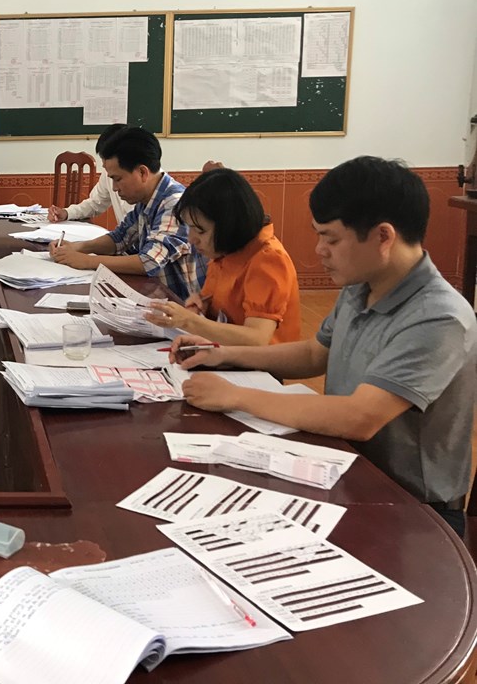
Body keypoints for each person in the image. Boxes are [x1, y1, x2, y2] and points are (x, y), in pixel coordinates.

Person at [176, 157, 476, 537]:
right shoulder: (361, 285)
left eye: (330, 238)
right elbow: (315, 354)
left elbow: (359, 417)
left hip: (411, 508)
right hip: (343, 469)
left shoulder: (438, 318)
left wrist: (235, 395)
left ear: (383, 237)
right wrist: (222, 353)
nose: (319, 250)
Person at [143, 168, 301, 345]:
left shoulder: (268, 260)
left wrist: (189, 321)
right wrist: (200, 306)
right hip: (226, 352)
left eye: (200, 231)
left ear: (229, 227)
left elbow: (257, 339)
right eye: (190, 228)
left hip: (262, 361)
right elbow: (216, 305)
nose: (192, 239)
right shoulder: (226, 251)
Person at [50, 126, 204, 300]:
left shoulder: (174, 203)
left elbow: (149, 261)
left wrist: (87, 261)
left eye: (118, 179)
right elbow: (120, 238)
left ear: (142, 172)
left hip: (181, 304)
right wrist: (78, 247)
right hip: (155, 296)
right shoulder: (147, 199)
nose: (115, 188)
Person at [47, 125, 133, 225]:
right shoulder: (108, 174)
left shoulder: (145, 196)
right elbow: (95, 203)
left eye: (106, 158)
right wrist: (67, 213)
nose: (103, 165)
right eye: (102, 158)